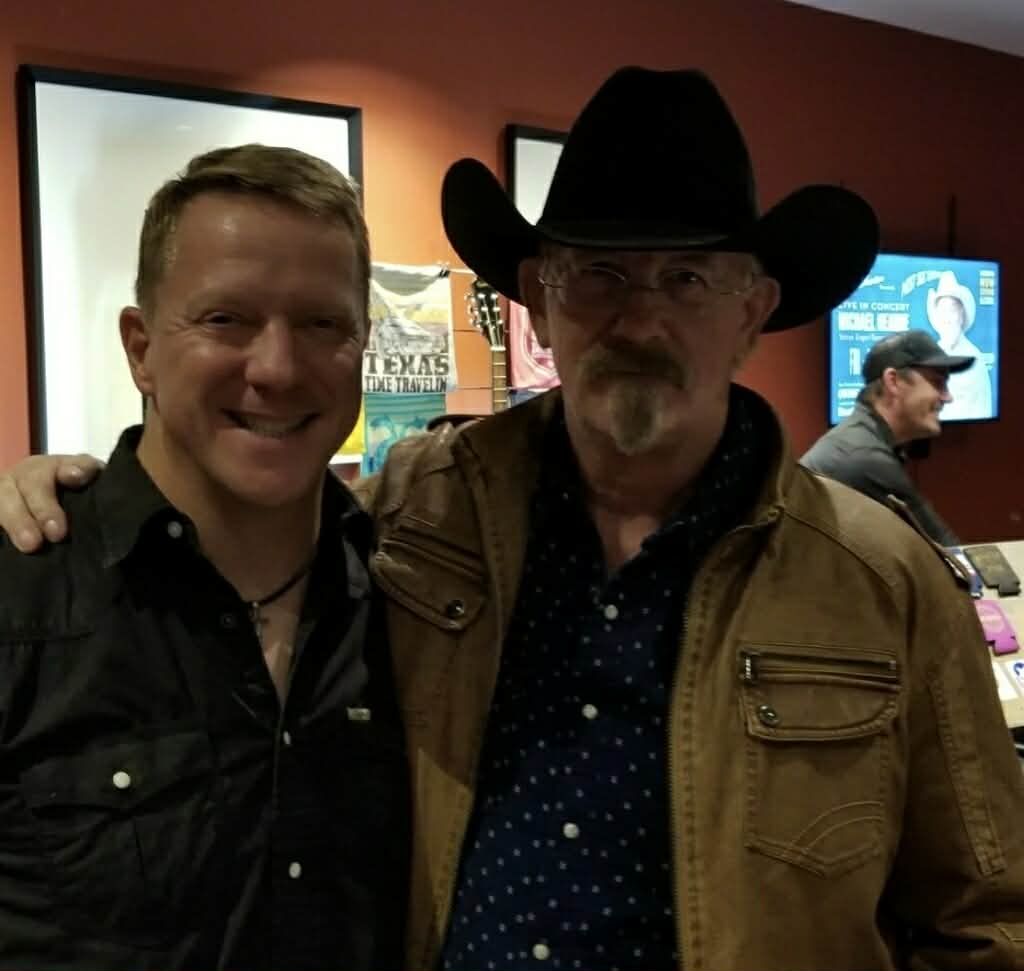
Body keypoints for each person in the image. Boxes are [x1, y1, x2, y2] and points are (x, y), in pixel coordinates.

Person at [3, 67, 1024, 971]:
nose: (639, 319)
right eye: (599, 276)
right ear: (539, 297)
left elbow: (988, 919)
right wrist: (70, 490)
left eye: (687, 278)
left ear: (753, 308)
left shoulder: (883, 582)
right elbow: (231, 498)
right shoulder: (421, 510)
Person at [0, 145, 408, 970]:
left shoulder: (413, 605)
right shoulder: (20, 597)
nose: (277, 368)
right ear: (141, 348)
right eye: (226, 319)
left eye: (322, 324)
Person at [801, 329, 972, 545]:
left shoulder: (860, 438)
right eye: (938, 383)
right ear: (893, 381)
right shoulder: (865, 457)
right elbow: (947, 554)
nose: (948, 397)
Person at [926, 269, 993, 419]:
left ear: (961, 316)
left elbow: (983, 416)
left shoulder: (974, 359)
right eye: (942, 311)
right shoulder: (932, 354)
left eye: (952, 310)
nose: (947, 318)